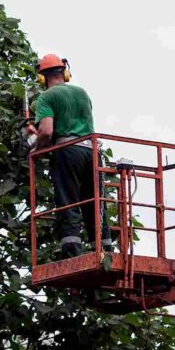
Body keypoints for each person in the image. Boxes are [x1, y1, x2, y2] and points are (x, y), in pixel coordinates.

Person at [31, 53, 113, 258]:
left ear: (42, 78)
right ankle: (104, 249)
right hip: (92, 151)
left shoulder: (47, 97)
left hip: (68, 152)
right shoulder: (82, 93)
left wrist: (36, 148)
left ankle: (72, 250)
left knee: (68, 200)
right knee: (94, 200)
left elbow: (47, 132)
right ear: (64, 73)